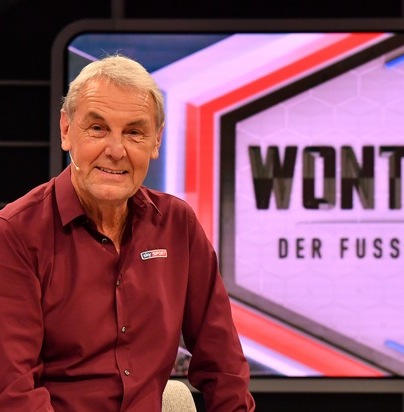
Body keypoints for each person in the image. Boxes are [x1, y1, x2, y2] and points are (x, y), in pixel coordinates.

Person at [0, 55, 255, 411]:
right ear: (66, 130)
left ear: (156, 141)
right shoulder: (15, 233)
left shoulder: (177, 224)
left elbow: (223, 366)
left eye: (134, 132)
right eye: (97, 128)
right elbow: (13, 392)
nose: (116, 151)